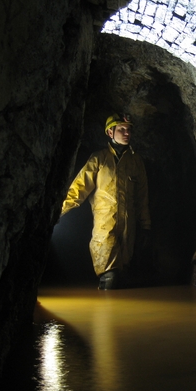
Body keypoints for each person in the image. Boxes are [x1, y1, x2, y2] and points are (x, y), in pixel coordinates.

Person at [61, 114, 150, 289]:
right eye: (121, 129)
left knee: (123, 276)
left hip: (128, 229)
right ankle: (104, 311)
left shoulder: (135, 161)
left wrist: (146, 226)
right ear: (110, 132)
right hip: (105, 226)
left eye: (128, 130)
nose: (126, 133)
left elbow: (142, 196)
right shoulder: (99, 159)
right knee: (110, 276)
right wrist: (59, 211)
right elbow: (79, 188)